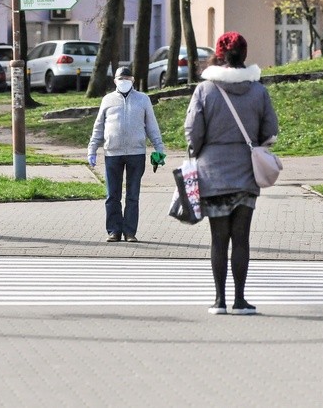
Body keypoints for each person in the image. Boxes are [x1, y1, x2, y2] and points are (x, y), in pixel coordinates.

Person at [184, 32, 279, 315]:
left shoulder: (205, 90)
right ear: (244, 55)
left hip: (212, 172)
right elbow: (270, 129)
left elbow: (193, 130)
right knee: (241, 238)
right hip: (246, 173)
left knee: (218, 239)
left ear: (219, 54)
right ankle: (240, 300)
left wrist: (198, 151)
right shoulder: (258, 90)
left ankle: (219, 301)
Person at [87, 66, 166, 243]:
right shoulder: (108, 100)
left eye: (127, 79)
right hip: (112, 153)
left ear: (132, 81)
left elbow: (152, 127)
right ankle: (114, 231)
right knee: (112, 195)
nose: (123, 82)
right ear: (115, 81)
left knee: (132, 195)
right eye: (120, 79)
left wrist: (159, 149)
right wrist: (92, 149)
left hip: (136, 154)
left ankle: (130, 232)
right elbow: (98, 127)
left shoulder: (143, 99)